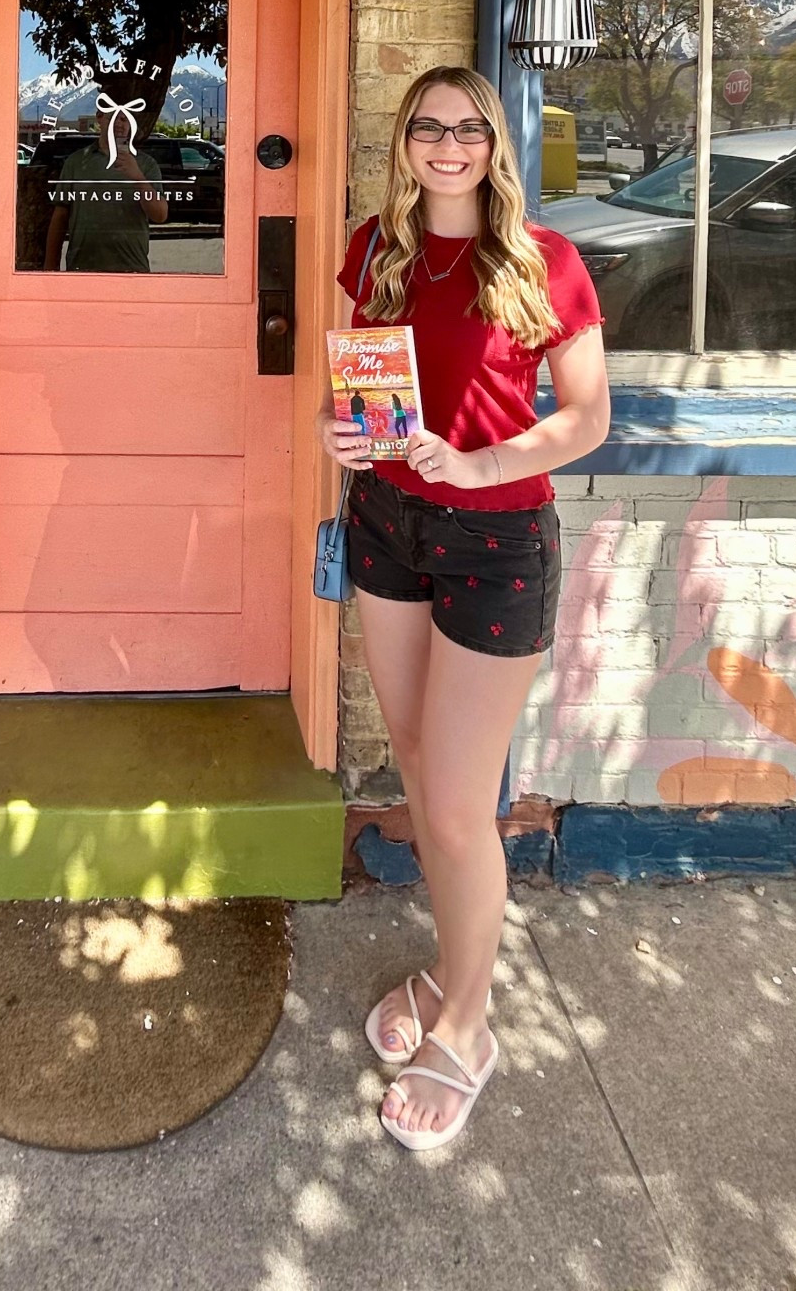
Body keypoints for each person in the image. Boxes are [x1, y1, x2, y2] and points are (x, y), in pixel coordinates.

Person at [317, 64, 609, 1151]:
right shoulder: (376, 248)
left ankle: (471, 1025)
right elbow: (357, 384)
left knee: (453, 803)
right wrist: (338, 431)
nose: (448, 144)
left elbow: (584, 419)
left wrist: (478, 467)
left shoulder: (545, 263)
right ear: (406, 142)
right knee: (420, 771)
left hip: (496, 541)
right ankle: (450, 967)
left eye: (468, 128)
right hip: (388, 519)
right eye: (429, 127)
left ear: (495, 144)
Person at [43, 96, 169, 272]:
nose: (119, 123)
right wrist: (50, 267)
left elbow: (160, 215)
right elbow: (60, 216)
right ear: (100, 118)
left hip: (132, 270)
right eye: (113, 117)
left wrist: (138, 177)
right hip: (83, 270)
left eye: (125, 118)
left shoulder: (146, 164)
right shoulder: (76, 162)